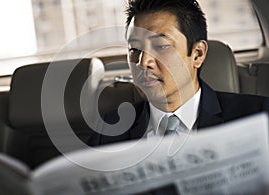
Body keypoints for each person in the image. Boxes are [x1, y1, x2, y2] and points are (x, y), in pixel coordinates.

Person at [87, 0, 269, 146]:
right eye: (134, 49)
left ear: (197, 54)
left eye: (161, 46)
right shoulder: (108, 132)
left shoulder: (257, 117)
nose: (143, 62)